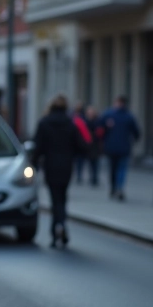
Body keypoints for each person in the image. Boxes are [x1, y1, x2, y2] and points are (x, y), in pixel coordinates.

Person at [31, 94, 87, 248]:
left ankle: (56, 229)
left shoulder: (44, 123)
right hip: (66, 166)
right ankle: (61, 226)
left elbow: (38, 147)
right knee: (63, 198)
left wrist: (33, 165)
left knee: (55, 198)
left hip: (51, 166)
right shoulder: (70, 123)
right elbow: (81, 146)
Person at [101, 95, 141, 201]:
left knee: (117, 169)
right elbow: (136, 132)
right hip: (120, 147)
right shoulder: (128, 116)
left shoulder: (110, 114)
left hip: (115, 147)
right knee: (117, 169)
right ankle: (117, 187)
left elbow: (100, 129)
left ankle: (117, 188)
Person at [71, 101, 93, 184]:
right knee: (80, 161)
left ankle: (79, 175)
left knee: (80, 160)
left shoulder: (76, 118)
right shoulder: (82, 119)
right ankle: (79, 175)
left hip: (78, 143)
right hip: (80, 142)